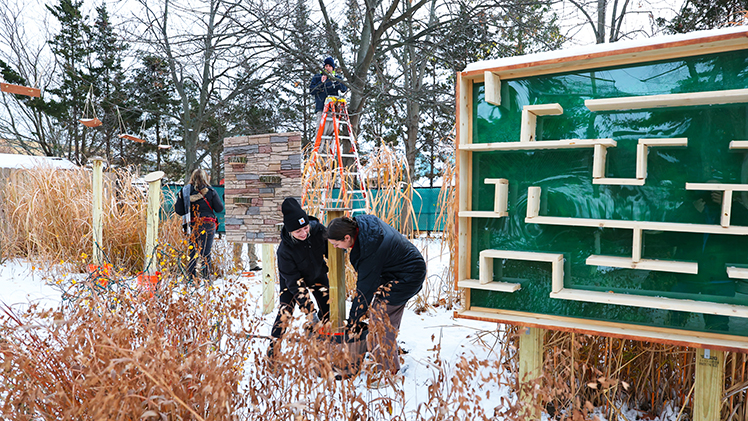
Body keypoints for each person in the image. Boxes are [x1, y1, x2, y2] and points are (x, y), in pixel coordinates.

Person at [327, 215, 426, 375]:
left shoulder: (371, 249)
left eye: (337, 244)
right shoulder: (362, 226)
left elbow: (364, 291)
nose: (337, 248)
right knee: (380, 316)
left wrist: (352, 323)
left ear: (347, 237)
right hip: (395, 271)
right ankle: (386, 350)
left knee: (380, 322)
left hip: (408, 276)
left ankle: (387, 372)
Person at [267, 197, 331, 358]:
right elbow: (295, 283)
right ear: (289, 231)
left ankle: (327, 347)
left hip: (316, 273)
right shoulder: (284, 251)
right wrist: (309, 311)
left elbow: (331, 250)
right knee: (285, 313)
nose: (303, 233)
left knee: (328, 309)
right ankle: (273, 354)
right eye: (298, 231)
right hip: (293, 281)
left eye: (305, 228)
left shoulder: (318, 231)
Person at [174, 168, 224, 280]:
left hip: (192, 225)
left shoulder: (184, 191)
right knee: (206, 253)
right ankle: (206, 279)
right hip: (208, 224)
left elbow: (179, 211)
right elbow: (219, 208)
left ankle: (191, 279)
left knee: (193, 252)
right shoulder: (211, 191)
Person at [309, 56, 348, 136]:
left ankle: (328, 148)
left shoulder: (336, 78)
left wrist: (336, 81)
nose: (328, 68)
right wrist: (321, 83)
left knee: (331, 135)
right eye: (326, 66)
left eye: (330, 66)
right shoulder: (317, 77)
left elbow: (344, 88)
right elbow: (312, 91)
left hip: (334, 110)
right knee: (320, 132)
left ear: (333, 68)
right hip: (321, 109)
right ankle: (319, 149)